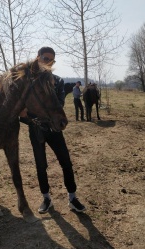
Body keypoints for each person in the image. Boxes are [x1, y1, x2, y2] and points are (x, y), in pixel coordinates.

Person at [20, 46, 86, 214]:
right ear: (38, 57)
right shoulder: (27, 83)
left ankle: (72, 197)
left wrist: (36, 113)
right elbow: (22, 109)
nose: (48, 62)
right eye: (45, 58)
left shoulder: (58, 81)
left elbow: (59, 105)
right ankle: (46, 198)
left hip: (54, 129)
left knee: (66, 163)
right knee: (41, 165)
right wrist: (25, 115)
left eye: (51, 60)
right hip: (36, 130)